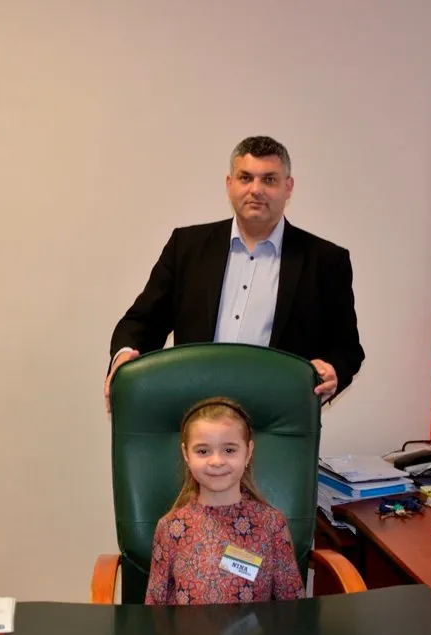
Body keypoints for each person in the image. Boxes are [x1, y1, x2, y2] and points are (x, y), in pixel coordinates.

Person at [105, 136, 364, 411]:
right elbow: (142, 322)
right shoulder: (187, 247)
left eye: (269, 180)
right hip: (195, 414)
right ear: (229, 184)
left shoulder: (326, 260)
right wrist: (124, 357)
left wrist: (334, 370)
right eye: (245, 178)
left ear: (288, 187)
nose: (256, 190)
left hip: (279, 417)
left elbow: (347, 349)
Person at [144, 397, 305, 605]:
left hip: (257, 628)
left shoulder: (271, 524)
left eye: (229, 450)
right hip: (188, 628)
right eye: (203, 451)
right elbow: (155, 606)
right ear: (186, 454)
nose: (217, 461)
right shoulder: (170, 528)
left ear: (248, 452)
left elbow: (293, 605)